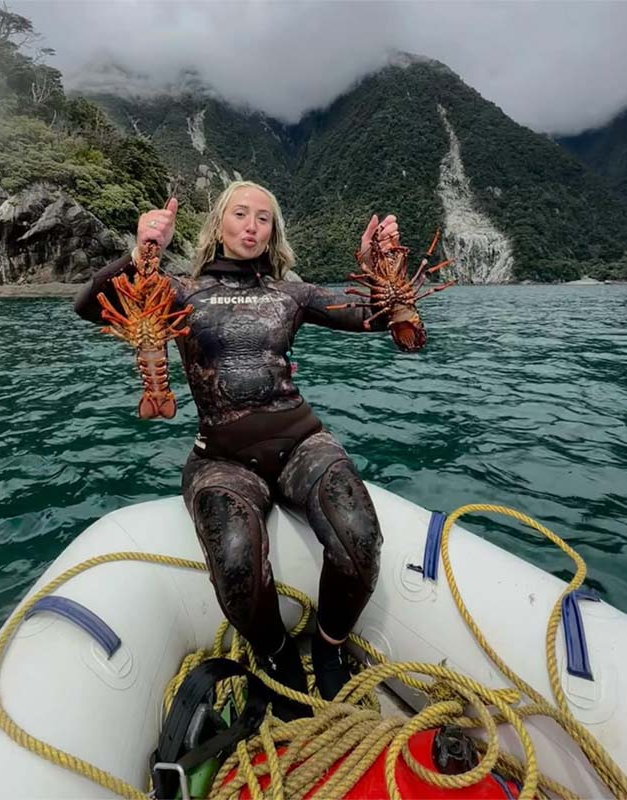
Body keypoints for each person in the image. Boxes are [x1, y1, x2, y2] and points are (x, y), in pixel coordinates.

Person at [74, 181, 427, 719]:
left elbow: (374, 320)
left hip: (302, 441)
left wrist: (377, 260)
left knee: (360, 540)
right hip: (221, 457)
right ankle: (279, 656)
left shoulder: (292, 293)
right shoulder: (176, 289)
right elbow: (86, 307)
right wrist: (139, 247)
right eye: (240, 214)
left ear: (273, 232)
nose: (251, 225)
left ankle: (330, 650)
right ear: (218, 224)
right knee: (236, 565)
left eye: (263, 218)